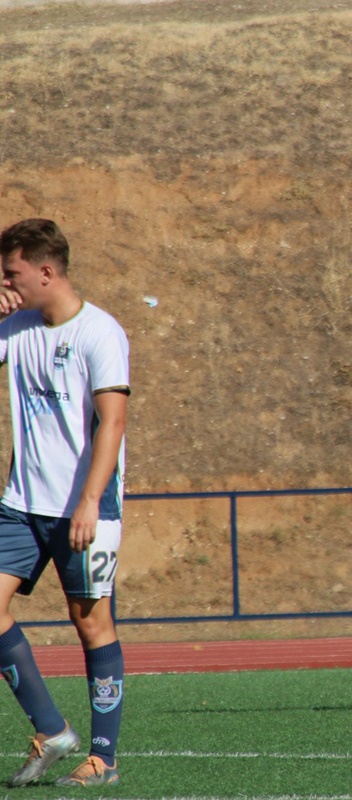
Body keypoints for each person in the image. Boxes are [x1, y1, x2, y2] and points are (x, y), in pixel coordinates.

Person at [0, 219, 129, 787]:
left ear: (45, 271)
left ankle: (103, 757)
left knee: (91, 623)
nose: (5, 282)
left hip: (83, 507)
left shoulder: (101, 333)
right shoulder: (15, 327)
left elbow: (112, 421)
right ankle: (52, 730)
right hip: (20, 504)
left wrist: (91, 502)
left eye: (12, 273)